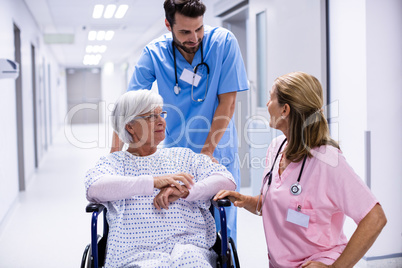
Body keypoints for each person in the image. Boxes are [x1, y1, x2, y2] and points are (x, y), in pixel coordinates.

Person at [214, 71, 387, 267]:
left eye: (271, 98)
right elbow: (272, 204)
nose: (267, 104)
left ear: (285, 110)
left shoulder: (327, 160)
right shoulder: (276, 148)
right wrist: (245, 201)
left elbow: (375, 217)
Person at [110, 0, 248, 243]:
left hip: (216, 151)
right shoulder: (154, 54)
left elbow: (228, 103)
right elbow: (127, 106)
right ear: (168, 25)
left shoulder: (224, 43)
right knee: (180, 227)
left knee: (222, 228)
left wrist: (205, 155)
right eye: (185, 32)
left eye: (199, 29)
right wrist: (113, 157)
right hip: (176, 156)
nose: (194, 37)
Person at [86, 90, 236, 267]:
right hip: (135, 254)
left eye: (161, 114)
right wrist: (152, 181)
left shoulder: (183, 157)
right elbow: (94, 188)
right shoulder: (115, 163)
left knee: (191, 260)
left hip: (189, 249)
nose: (161, 121)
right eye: (151, 116)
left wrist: (186, 191)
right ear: (130, 126)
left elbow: (227, 180)